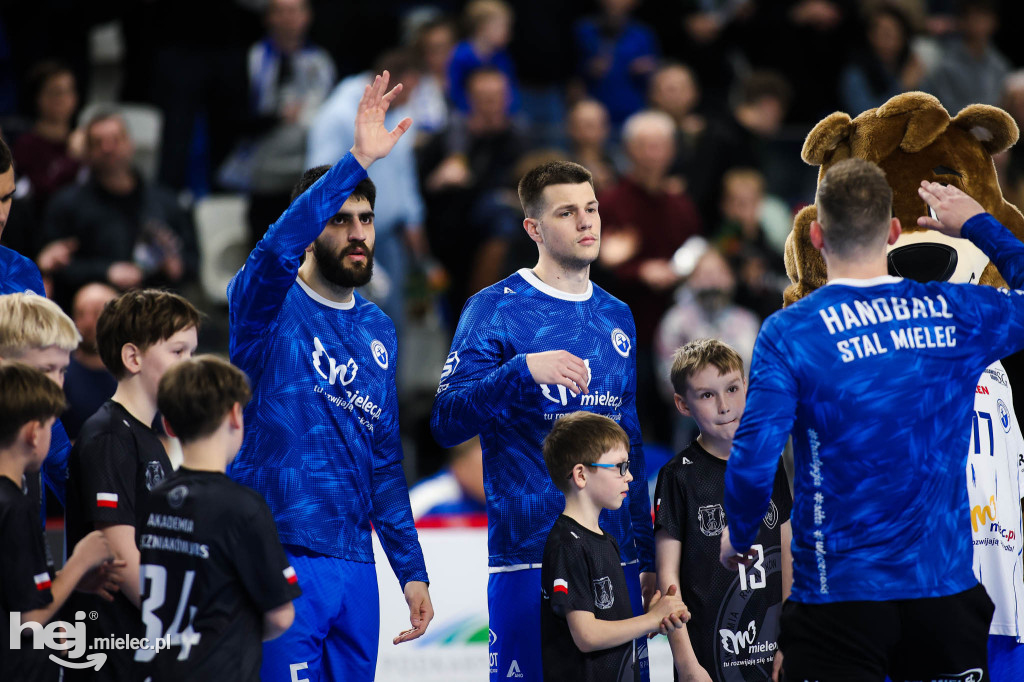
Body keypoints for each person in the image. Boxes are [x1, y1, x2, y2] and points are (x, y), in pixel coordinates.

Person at [719, 158, 1024, 680]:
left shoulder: (791, 332)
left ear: (816, 235)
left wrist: (740, 533)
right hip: (942, 593)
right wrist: (978, 224)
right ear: (893, 231)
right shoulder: (954, 311)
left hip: (838, 598)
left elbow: (754, 456)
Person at [227, 72, 431, 682]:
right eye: (340, 220)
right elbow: (274, 251)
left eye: (366, 219)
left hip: (356, 565)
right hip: (279, 549)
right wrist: (356, 161)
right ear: (312, 228)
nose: (358, 233)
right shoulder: (264, 304)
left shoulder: (379, 329)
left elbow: (384, 461)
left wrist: (411, 570)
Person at [431, 159, 656, 682]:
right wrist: (521, 371)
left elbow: (632, 445)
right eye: (567, 212)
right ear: (533, 228)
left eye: (591, 208)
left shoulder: (617, 314)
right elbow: (445, 421)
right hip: (528, 557)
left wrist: (644, 556)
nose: (586, 221)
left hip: (617, 558)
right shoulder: (493, 308)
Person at [63, 289, 200, 682]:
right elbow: (120, 557)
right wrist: (184, 620)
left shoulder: (146, 436)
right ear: (133, 357)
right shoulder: (110, 435)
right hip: (111, 651)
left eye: (192, 353)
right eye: (178, 352)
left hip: (143, 643)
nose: (189, 366)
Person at [135, 355, 300, 680]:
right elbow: (281, 616)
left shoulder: (154, 498)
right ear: (236, 415)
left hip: (158, 668)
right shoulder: (244, 508)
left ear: (168, 425)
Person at [655, 338, 792, 680]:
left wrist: (790, 639)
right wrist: (687, 665)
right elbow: (668, 579)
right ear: (682, 404)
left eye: (732, 389)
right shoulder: (677, 476)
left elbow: (787, 553)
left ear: (746, 386)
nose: (724, 406)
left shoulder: (769, 463)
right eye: (706, 395)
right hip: (707, 660)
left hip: (771, 651)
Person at [541, 411, 689, 681]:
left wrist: (656, 617)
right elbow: (586, 635)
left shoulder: (606, 540)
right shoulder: (567, 544)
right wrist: (650, 619)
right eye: (620, 467)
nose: (629, 476)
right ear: (581, 475)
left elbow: (610, 626)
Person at [0, 363, 118, 682]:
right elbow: (30, 619)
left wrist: (67, 581)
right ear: (33, 432)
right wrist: (80, 562)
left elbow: (15, 587)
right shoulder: (17, 507)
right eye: (52, 424)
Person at [41, 110, 198, 306]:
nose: (108, 148)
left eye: (116, 140)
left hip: (156, 302)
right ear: (87, 152)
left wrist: (177, 266)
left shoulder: (166, 202)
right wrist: (106, 271)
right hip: (94, 303)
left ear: (130, 144)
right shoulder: (66, 204)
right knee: (94, 297)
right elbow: (53, 265)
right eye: (98, 143)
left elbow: (192, 260)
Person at [61, 282, 118, 439]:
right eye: (81, 313)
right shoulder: (59, 376)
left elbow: (160, 438)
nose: (88, 322)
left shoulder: (134, 377)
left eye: (97, 313)